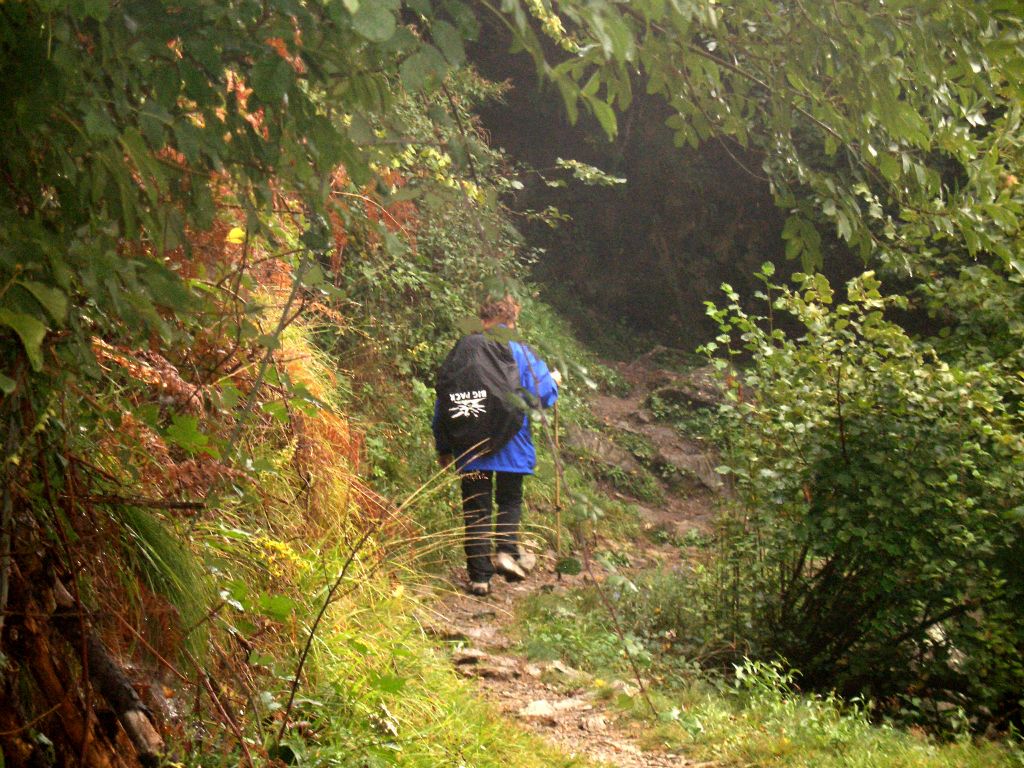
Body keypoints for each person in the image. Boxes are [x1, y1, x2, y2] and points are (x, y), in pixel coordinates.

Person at [433, 295, 559, 596]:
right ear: (512, 321)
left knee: (476, 508)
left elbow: (445, 400)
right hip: (511, 448)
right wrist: (553, 380)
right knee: (509, 499)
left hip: (470, 447)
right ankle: (506, 551)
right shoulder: (520, 353)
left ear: (482, 318)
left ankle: (479, 579)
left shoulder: (464, 350)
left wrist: (444, 446)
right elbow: (544, 396)